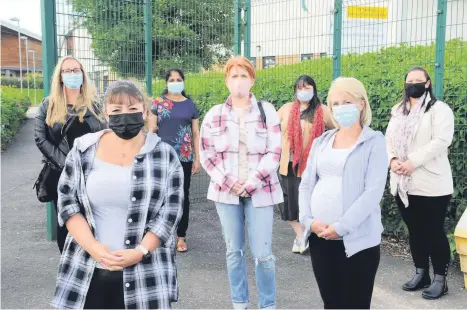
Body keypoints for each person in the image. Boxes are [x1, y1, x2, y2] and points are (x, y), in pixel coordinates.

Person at [50, 80, 184, 309]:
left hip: (146, 273)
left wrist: (140, 251)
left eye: (133, 109)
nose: (125, 115)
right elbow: (67, 202)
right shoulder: (83, 150)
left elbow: (170, 212)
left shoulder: (164, 155)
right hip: (87, 269)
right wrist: (93, 248)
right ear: (106, 113)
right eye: (117, 110)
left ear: (144, 110)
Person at [199, 56, 283, 309]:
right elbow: (207, 154)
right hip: (226, 193)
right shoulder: (214, 115)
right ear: (226, 81)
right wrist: (229, 182)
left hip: (261, 191)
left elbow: (274, 152)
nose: (238, 81)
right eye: (234, 76)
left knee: (263, 255)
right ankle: (240, 302)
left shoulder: (266, 112)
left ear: (252, 80)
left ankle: (267, 304)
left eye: (243, 76)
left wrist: (253, 181)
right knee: (234, 252)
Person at [299, 77, 388, 309]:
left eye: (346, 101)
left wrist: (341, 227)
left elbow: (372, 192)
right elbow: (306, 185)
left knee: (355, 304)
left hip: (357, 241)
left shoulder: (374, 142)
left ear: (361, 104)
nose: (340, 108)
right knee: (331, 302)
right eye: (335, 103)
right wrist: (308, 221)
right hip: (320, 238)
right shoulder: (322, 142)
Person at [385, 66, 454, 300]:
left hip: (431, 184)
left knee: (433, 231)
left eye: (418, 80)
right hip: (403, 183)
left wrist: (412, 162)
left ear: (427, 83)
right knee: (415, 231)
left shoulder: (439, 110)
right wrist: (393, 159)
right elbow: (389, 139)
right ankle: (421, 273)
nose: (413, 83)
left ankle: (440, 280)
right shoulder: (398, 110)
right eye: (409, 80)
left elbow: (441, 141)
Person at [34, 55, 104, 253]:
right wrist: (67, 164)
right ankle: (67, 263)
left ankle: (92, 261)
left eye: (76, 70)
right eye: (67, 71)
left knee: (92, 219)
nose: (73, 74)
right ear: (60, 76)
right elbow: (41, 139)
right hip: (61, 173)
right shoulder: (48, 105)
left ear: (83, 73)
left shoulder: (95, 104)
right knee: (67, 220)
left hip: (92, 172)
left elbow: (104, 134)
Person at [277, 75, 333, 254]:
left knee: (309, 203)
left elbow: (338, 129)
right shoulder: (286, 109)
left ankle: (307, 236)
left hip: (311, 166)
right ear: (295, 90)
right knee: (287, 204)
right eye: (300, 88)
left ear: (314, 90)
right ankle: (300, 234)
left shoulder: (322, 111)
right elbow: (270, 129)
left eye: (307, 88)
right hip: (288, 164)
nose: (303, 92)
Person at [148, 68, 200, 252]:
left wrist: (197, 159)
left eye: (179, 79)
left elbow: (195, 133)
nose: (175, 82)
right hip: (161, 156)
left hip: (184, 157)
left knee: (182, 195)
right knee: (160, 194)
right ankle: (160, 233)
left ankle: (181, 236)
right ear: (166, 82)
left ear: (183, 81)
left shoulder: (190, 105)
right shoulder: (158, 103)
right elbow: (152, 127)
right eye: (172, 79)